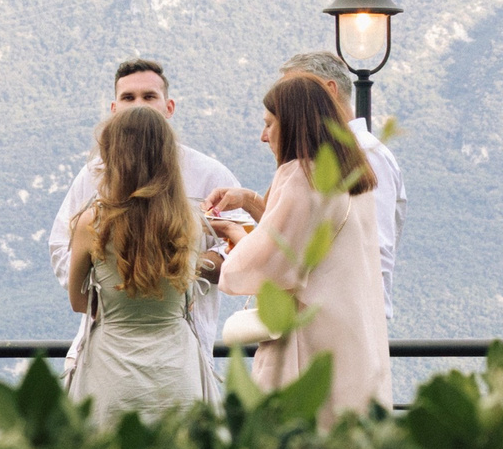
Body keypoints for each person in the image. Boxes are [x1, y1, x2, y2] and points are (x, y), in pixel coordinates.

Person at [211, 74, 392, 422]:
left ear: (293, 122)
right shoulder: (353, 177)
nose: (263, 135)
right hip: (353, 338)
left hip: (307, 345)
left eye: (269, 124)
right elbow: (303, 238)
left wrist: (234, 234)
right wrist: (249, 201)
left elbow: (270, 262)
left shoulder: (300, 175)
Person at [48, 58, 236, 393]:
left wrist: (115, 280)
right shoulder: (189, 216)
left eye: (149, 96)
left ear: (168, 106)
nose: (139, 105)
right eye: (129, 97)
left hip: (130, 348)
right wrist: (175, 272)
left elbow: (235, 254)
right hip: (172, 355)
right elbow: (59, 246)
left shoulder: (210, 174)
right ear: (114, 109)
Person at [62, 109, 220, 427]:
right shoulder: (189, 222)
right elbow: (189, 295)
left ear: (113, 158)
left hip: (111, 375)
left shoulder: (91, 223)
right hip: (178, 373)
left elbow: (79, 302)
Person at [279, 50, 404, 327]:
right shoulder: (331, 155)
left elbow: (376, 242)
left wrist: (367, 318)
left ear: (329, 90)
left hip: (351, 316)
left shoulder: (365, 153)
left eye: (297, 95)